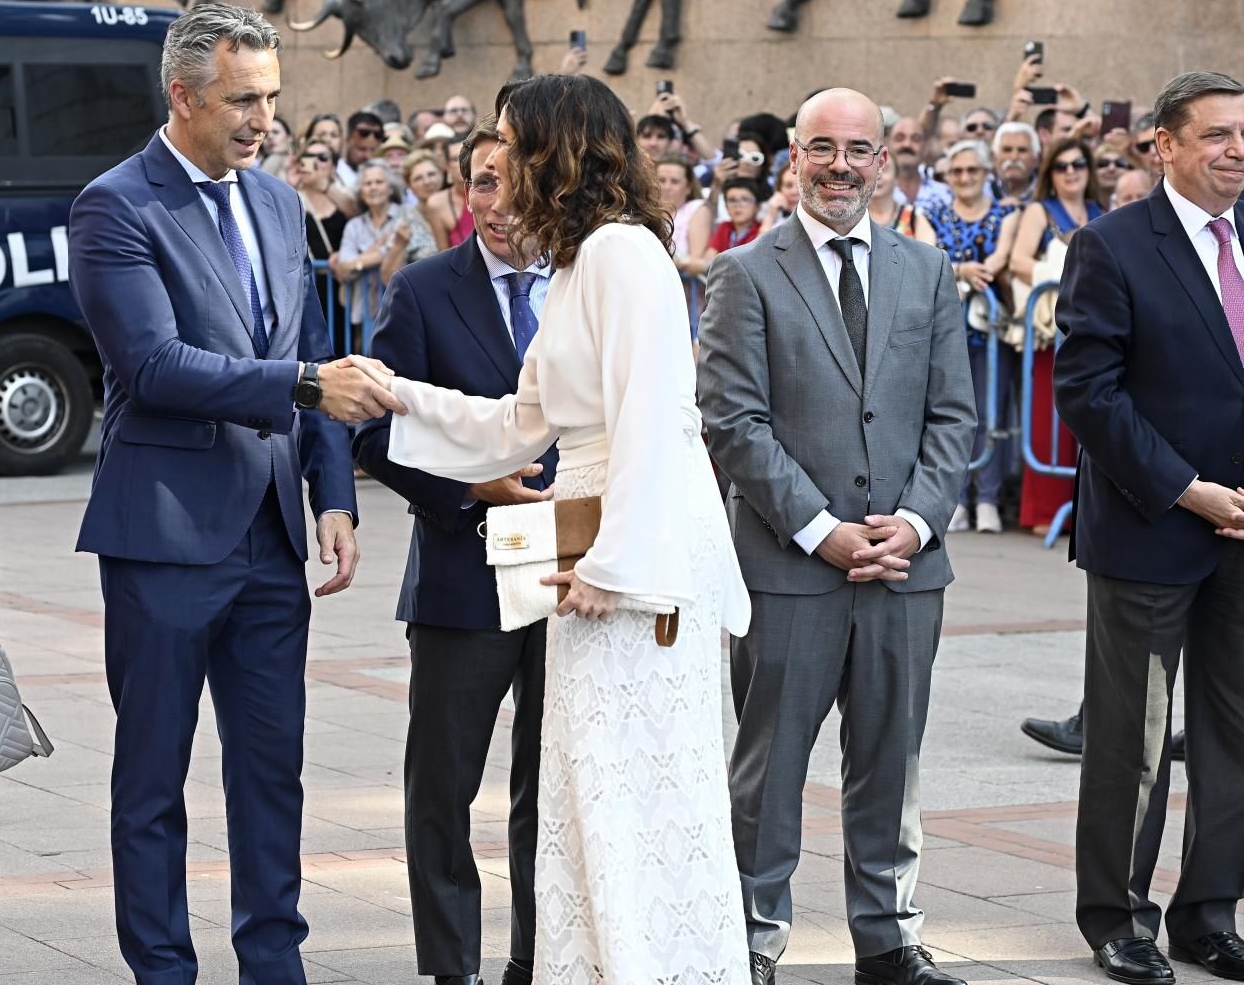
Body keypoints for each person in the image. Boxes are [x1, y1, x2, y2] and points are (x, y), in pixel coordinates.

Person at [349, 73, 751, 984]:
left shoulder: (623, 255)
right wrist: (392, 390)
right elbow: (515, 425)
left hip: (635, 559)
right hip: (596, 547)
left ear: (555, 152)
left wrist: (613, 568)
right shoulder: (577, 267)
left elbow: (653, 418)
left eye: (508, 143)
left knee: (635, 794)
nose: (495, 163)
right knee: (583, 791)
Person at [66, 4, 396, 985]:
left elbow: (314, 355)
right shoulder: (114, 205)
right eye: (242, 99)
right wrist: (302, 389)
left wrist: (331, 490)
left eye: (272, 99)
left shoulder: (279, 205)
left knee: (270, 775)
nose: (263, 120)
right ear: (183, 94)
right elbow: (156, 365)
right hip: (162, 534)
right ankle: (163, 970)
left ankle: (273, 966)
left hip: (268, 541)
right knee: (152, 782)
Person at [699, 87, 976, 985]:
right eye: (821, 148)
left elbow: (953, 420)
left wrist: (916, 522)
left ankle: (890, 940)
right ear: (793, 162)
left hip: (906, 569)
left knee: (892, 761)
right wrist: (820, 530)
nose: (840, 166)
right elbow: (732, 421)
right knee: (770, 767)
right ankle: (752, 941)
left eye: (859, 150)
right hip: (789, 568)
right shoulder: (744, 272)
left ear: (885, 164)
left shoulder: (925, 272)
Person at [350, 119, 557, 985]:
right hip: (463, 574)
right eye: (481, 182)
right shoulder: (424, 290)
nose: (498, 203)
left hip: (571, 574)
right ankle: (452, 968)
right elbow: (371, 431)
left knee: (549, 791)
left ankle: (536, 959)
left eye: (516, 181)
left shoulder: (590, 285)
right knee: (443, 788)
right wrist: (468, 489)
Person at [1054, 70, 1244, 985]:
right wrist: (1187, 490)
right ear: (1164, 146)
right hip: (1152, 527)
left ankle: (1210, 914)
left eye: (1243, 133)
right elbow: (1088, 394)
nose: (1236, 149)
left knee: (1234, 731)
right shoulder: (1112, 245)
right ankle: (1117, 917)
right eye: (1216, 135)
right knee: (1133, 738)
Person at [1005, 136, 1102, 536]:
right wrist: (1067, 281)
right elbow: (1019, 262)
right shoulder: (1040, 211)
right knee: (1048, 418)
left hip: (1095, 330)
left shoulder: (1101, 210)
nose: (1071, 172)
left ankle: (1087, 507)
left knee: (1091, 418)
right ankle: (1044, 510)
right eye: (1062, 166)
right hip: (1052, 331)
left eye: (1078, 164)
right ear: (1050, 173)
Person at [926, 139, 1019, 535]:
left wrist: (965, 269)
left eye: (973, 171)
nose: (964, 178)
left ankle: (988, 499)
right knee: (945, 416)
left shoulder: (1007, 213)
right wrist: (965, 272)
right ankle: (956, 499)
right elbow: (929, 253)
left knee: (989, 416)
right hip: (943, 329)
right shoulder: (931, 212)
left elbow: (1000, 259)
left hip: (990, 331)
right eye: (957, 171)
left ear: (986, 174)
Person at [335, 161, 437, 336]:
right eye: (368, 183)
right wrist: (376, 254)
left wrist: (358, 262)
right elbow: (343, 271)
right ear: (361, 191)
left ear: (391, 188)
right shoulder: (354, 226)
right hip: (365, 313)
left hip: (404, 308)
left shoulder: (407, 214)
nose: (373, 187)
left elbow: (409, 250)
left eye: (379, 182)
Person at [294, 142, 354, 352]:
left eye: (323, 157)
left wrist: (325, 186)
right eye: (309, 157)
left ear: (335, 165)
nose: (316, 163)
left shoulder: (344, 193)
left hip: (343, 283)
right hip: (309, 287)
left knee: (345, 344)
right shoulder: (292, 195)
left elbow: (356, 211)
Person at [870, 148, 940, 245]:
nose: (878, 175)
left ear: (897, 178)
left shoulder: (913, 217)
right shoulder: (856, 216)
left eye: (885, 169)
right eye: (873, 169)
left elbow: (930, 254)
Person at [656, 151, 706, 260]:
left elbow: (696, 260)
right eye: (661, 180)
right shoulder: (646, 211)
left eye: (674, 182)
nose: (667, 187)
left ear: (688, 187)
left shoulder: (696, 208)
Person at [992, 121, 1040, 203]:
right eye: (1007, 150)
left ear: (1036, 159)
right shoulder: (979, 191)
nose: (1014, 157)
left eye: (1022, 150)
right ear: (994, 158)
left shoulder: (1049, 193)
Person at [338, 109, 384, 187]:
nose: (368, 156)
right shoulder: (334, 176)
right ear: (347, 140)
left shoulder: (385, 178)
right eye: (362, 149)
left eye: (373, 150)